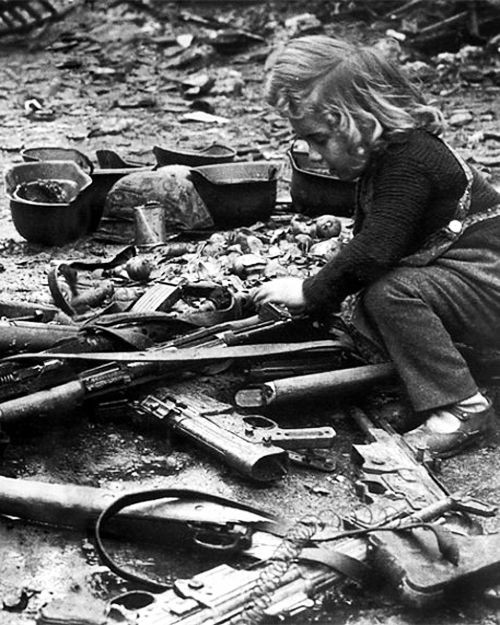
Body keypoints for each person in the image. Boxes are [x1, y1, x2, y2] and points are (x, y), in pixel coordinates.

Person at [252, 35, 500, 458]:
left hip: (489, 284)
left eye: (319, 138)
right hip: (472, 286)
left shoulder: (410, 162)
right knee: (369, 298)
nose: (311, 153)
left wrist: (310, 291)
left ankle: (464, 408)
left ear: (361, 121)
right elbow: (373, 244)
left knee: (392, 294)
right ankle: (434, 385)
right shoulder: (388, 158)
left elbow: (373, 252)